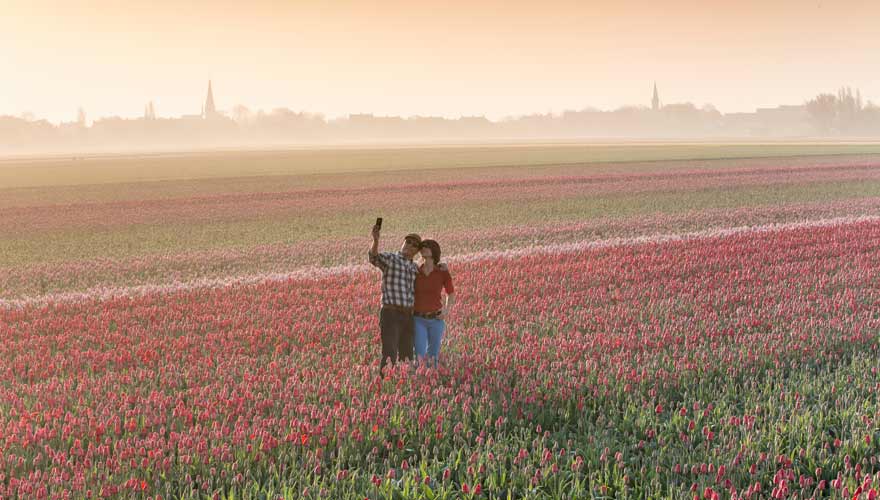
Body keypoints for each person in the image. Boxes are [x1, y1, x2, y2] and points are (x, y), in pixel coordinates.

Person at [369, 223, 421, 375]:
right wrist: (376, 240)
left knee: (407, 355)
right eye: (407, 242)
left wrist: (441, 266)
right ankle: (385, 384)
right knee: (389, 353)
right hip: (391, 313)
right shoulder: (391, 259)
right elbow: (373, 258)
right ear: (403, 243)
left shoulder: (415, 268)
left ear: (416, 251)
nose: (409, 245)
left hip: (408, 315)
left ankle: (406, 385)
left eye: (413, 245)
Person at [413, 239, 455, 367]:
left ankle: (432, 381)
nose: (423, 248)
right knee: (419, 355)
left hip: (436, 319)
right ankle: (421, 381)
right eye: (422, 247)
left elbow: (451, 293)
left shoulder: (442, 271)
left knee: (433, 356)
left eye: (427, 246)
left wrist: (446, 310)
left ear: (434, 251)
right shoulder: (415, 271)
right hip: (418, 319)